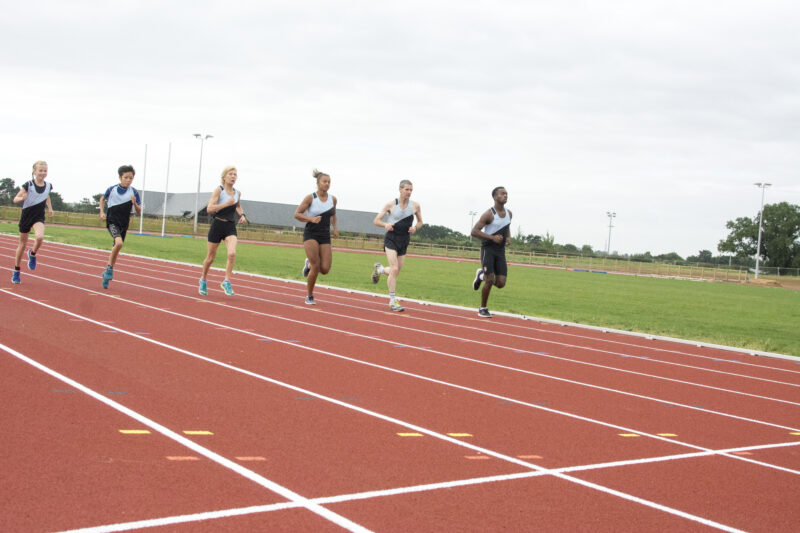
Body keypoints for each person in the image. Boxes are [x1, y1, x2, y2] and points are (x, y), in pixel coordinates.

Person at [370, 179, 423, 312]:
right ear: (400, 189)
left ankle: (380, 269)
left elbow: (421, 222)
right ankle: (392, 301)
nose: (409, 192)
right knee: (394, 269)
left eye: (411, 190)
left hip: (404, 240)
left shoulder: (415, 206)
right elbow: (376, 220)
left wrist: (415, 228)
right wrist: (385, 224)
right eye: (407, 189)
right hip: (391, 239)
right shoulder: (391, 204)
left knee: (396, 271)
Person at [199, 166, 247, 296]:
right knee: (210, 258)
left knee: (232, 253)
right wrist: (225, 204)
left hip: (230, 226)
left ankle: (226, 281)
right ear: (224, 176)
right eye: (231, 174)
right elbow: (209, 208)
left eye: (235, 175)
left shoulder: (237, 193)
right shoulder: (219, 191)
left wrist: (242, 215)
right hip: (217, 225)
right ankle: (203, 279)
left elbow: (238, 206)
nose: (233, 177)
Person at [294, 169, 338, 305]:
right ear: (318, 183)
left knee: (325, 269)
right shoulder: (310, 198)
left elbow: (333, 215)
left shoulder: (333, 199)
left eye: (329, 182)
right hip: (311, 233)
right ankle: (309, 295)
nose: (327, 184)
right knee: (316, 265)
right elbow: (297, 214)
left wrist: (335, 228)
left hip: (325, 234)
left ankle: (308, 263)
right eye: (324, 181)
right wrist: (310, 219)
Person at [471, 186, 512, 318]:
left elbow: (507, 226)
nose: (505, 196)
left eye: (506, 194)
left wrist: (508, 237)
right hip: (488, 249)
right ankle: (482, 308)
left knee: (500, 283)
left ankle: (480, 275)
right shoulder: (489, 214)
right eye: (502, 194)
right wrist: (492, 237)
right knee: (489, 280)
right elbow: (474, 231)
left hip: (500, 251)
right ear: (495, 197)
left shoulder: (509, 213)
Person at [99, 165, 142, 289]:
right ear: (120, 177)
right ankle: (109, 270)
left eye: (131, 178)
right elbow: (102, 199)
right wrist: (102, 212)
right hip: (112, 221)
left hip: (124, 223)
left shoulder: (133, 192)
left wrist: (134, 203)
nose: (128, 180)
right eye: (126, 177)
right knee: (118, 244)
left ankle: (108, 271)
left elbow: (139, 211)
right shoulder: (112, 189)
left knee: (116, 248)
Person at [11, 160, 54, 284]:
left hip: (38, 217)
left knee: (40, 237)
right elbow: (15, 199)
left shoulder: (49, 185)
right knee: (22, 245)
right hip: (26, 217)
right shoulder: (28, 185)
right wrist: (22, 198)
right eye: (40, 170)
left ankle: (32, 253)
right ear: (34, 172)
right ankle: (16, 271)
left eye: (45, 170)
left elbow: (47, 195)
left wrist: (50, 208)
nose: (42, 173)